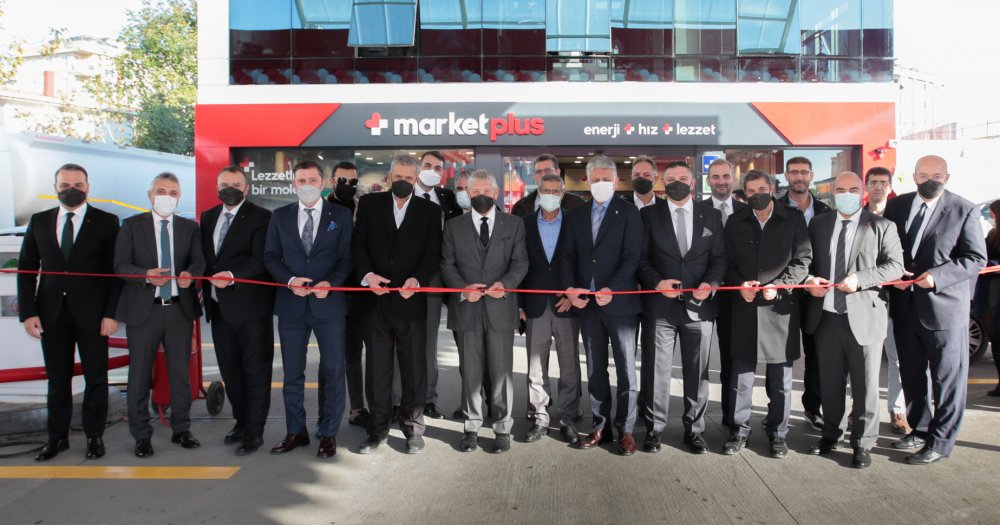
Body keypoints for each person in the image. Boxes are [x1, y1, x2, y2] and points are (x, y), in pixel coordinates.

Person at [883, 155, 986, 465]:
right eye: (924, 174)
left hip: (944, 312)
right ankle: (920, 428)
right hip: (905, 307)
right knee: (911, 376)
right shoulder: (897, 206)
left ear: (947, 177)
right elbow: (887, 250)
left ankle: (940, 442)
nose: (930, 180)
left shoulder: (964, 209)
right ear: (914, 176)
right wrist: (892, 276)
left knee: (946, 379)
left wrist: (937, 277)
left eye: (937, 175)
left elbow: (975, 259)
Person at [17, 163, 122, 461]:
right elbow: (26, 270)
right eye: (65, 185)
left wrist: (111, 314)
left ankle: (94, 436)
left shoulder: (106, 221)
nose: (71, 190)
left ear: (88, 187)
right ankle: (57, 438)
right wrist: (28, 313)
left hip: (93, 316)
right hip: (51, 315)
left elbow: (114, 274)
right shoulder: (39, 221)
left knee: (96, 378)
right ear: (55, 188)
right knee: (58, 380)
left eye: (78, 185)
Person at [803, 171, 903, 469]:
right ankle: (831, 435)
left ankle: (862, 443)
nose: (846, 194)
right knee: (830, 383)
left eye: (853, 189)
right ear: (832, 192)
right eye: (840, 189)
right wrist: (809, 280)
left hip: (865, 317)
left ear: (863, 192)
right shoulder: (818, 224)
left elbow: (895, 266)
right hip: (827, 317)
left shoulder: (882, 225)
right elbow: (806, 261)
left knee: (866, 386)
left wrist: (860, 279)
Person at [353, 155, 442, 455]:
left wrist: (417, 279)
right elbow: (358, 245)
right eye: (398, 176)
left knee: (414, 367)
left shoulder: (430, 211)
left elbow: (432, 252)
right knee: (377, 367)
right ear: (389, 176)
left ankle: (413, 427)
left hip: (411, 301)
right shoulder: (369, 204)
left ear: (416, 179)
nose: (403, 181)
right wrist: (367, 276)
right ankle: (377, 428)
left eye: (409, 177)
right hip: (375, 300)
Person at [264, 160, 353, 459]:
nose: (307, 185)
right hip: (291, 306)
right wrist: (289, 281)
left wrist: (332, 282)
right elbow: (271, 257)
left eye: (312, 180)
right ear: (293, 184)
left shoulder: (340, 215)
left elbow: (346, 258)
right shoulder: (280, 216)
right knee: (292, 372)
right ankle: (296, 431)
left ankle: (328, 433)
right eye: (301, 180)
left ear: (323, 182)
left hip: (329, 306)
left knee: (333, 370)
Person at [114, 172, 205, 458]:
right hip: (145, 312)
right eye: (161, 191)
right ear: (150, 195)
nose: (167, 197)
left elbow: (199, 260)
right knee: (139, 376)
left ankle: (181, 428)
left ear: (179, 197)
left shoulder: (189, 228)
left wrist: (192, 274)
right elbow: (120, 265)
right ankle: (141, 435)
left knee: (180, 373)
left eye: (173, 192)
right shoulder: (131, 226)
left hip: (179, 310)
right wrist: (145, 275)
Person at [637, 161, 725, 454]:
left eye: (682, 178)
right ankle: (655, 429)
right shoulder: (649, 215)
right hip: (659, 307)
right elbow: (640, 259)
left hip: (699, 307)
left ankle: (694, 430)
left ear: (693, 183)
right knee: (656, 371)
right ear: (663, 183)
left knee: (698, 373)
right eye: (671, 178)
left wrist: (711, 284)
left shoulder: (711, 215)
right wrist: (656, 282)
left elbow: (719, 258)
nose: (677, 183)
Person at [723, 170, 811, 459]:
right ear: (745, 193)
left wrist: (781, 286)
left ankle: (778, 434)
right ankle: (739, 431)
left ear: (772, 188)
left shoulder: (793, 218)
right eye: (751, 191)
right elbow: (727, 263)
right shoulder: (735, 221)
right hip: (745, 307)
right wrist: (739, 285)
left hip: (780, 309)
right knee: (742, 378)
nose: (757, 195)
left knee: (780, 380)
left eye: (762, 189)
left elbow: (803, 260)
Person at [441, 170, 528, 453]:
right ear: (468, 194)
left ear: (496, 193)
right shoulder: (453, 226)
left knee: (502, 372)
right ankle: (471, 427)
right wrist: (462, 288)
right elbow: (446, 264)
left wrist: (506, 284)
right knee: (471, 372)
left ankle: (502, 428)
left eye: (486, 192)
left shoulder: (514, 224)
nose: (480, 196)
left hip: (501, 307)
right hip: (466, 308)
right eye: (475, 192)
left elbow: (520, 262)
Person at [561, 155, 643, 456]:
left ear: (616, 181)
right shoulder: (575, 215)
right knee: (595, 370)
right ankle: (600, 426)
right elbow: (567, 255)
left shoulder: (630, 212)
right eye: (595, 179)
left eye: (606, 179)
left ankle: (626, 430)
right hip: (588, 307)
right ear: (587, 181)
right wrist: (570, 289)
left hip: (620, 305)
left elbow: (632, 256)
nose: (601, 184)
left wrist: (613, 288)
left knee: (626, 370)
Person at [200, 166, 275, 456]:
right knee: (231, 371)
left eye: (235, 184)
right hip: (219, 309)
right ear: (217, 187)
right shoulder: (208, 217)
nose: (229, 188)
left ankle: (255, 432)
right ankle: (241, 422)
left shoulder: (261, 217)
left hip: (251, 309)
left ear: (246, 188)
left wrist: (232, 276)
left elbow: (261, 260)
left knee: (255, 370)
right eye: (224, 184)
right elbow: (206, 258)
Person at [519, 173, 582, 444]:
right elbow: (517, 264)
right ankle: (540, 416)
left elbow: (583, 261)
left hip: (566, 302)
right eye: (546, 190)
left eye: (556, 191)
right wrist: (519, 305)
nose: (551, 195)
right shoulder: (524, 224)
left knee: (569, 365)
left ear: (563, 193)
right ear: (539, 191)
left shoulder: (575, 222)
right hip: (534, 305)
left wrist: (573, 293)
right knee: (535, 366)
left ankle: (567, 417)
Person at [778, 156, 831, 431]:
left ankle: (813, 407)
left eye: (804, 172)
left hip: (816, 294)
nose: (799, 177)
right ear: (786, 176)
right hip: (783, 291)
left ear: (811, 175)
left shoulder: (825, 210)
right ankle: (778, 412)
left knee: (817, 354)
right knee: (780, 355)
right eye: (794, 172)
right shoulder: (773, 208)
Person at [414, 150, 461, 420]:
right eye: (427, 165)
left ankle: (429, 399)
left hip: (440, 276)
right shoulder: (402, 195)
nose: (432, 170)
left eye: (437, 167)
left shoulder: (447, 198)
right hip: (409, 277)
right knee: (405, 340)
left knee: (430, 340)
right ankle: (402, 399)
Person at [864, 166, 911, 434]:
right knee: (861, 360)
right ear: (866, 186)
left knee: (897, 358)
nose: (878, 187)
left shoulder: (900, 218)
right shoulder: (857, 217)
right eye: (874, 182)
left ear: (890, 187)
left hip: (896, 298)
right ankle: (859, 408)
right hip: (865, 297)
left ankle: (897, 410)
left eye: (883, 182)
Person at [323, 160, 369, 428]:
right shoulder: (322, 209)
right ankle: (327, 411)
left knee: (354, 352)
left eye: (353, 182)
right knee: (329, 355)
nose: (348, 185)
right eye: (342, 181)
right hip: (330, 292)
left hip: (359, 292)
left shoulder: (364, 208)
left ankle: (357, 408)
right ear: (332, 181)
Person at [704, 158, 747, 429]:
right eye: (715, 176)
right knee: (697, 361)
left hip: (735, 298)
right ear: (708, 180)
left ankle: (731, 418)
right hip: (703, 294)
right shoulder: (697, 210)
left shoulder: (746, 211)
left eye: (725, 176)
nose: (721, 181)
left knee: (732, 359)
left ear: (733, 179)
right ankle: (695, 421)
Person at [511, 153, 586, 217]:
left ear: (557, 172)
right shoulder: (520, 207)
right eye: (539, 172)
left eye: (547, 170)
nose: (543, 175)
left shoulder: (577, 204)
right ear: (535, 176)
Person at [979, 201, 1000, 396]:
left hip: (995, 290)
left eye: (992, 213)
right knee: (995, 339)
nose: (990, 217)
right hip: (989, 290)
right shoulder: (992, 235)